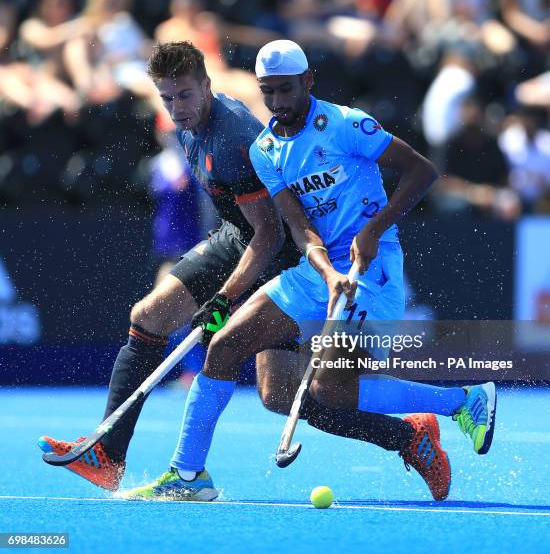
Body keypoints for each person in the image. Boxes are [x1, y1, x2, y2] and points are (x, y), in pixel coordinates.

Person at [39, 41, 437, 496]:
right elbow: (245, 226)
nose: (176, 107)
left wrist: (227, 297)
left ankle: (408, 435)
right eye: (166, 98)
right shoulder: (186, 126)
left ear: (207, 86)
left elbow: (270, 234)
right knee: (146, 319)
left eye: (185, 95)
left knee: (284, 397)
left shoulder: (235, 141)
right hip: (237, 237)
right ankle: (111, 455)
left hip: (276, 252)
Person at [123, 40, 497, 503]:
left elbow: (421, 172)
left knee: (332, 389)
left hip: (373, 270)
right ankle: (188, 475)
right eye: (268, 93)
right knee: (224, 346)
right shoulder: (265, 151)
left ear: (308, 81)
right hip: (315, 270)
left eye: (286, 90)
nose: (277, 103)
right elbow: (298, 230)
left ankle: (464, 401)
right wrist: (323, 268)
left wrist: (373, 231)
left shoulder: (346, 125)